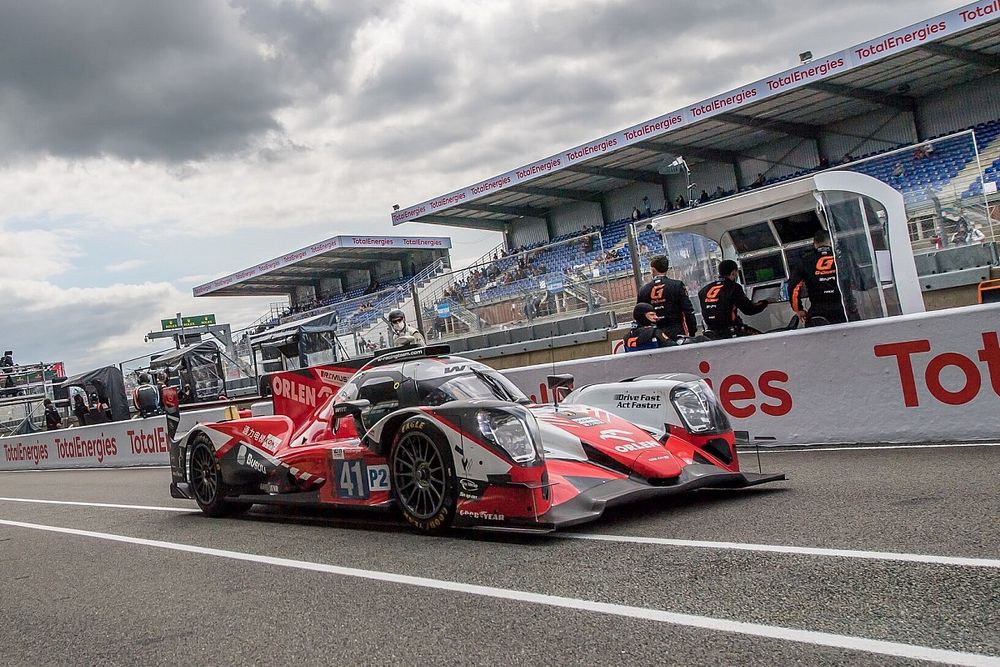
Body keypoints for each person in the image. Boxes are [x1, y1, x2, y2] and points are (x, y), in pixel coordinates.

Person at [788, 229, 849, 326]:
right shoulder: (842, 258)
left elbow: (793, 287)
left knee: (817, 340)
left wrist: (798, 309)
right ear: (831, 242)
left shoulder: (805, 261)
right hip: (844, 307)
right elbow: (857, 279)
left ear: (815, 244)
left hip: (818, 310)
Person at [698, 260, 769, 337]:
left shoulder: (703, 290)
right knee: (765, 338)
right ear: (733, 272)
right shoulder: (734, 287)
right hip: (730, 331)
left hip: (711, 333)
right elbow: (749, 310)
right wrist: (765, 302)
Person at [636, 255, 697, 339]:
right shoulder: (677, 285)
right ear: (666, 269)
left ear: (652, 269)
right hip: (677, 332)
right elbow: (688, 310)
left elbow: (639, 315)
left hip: (654, 335)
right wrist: (692, 331)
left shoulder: (643, 290)